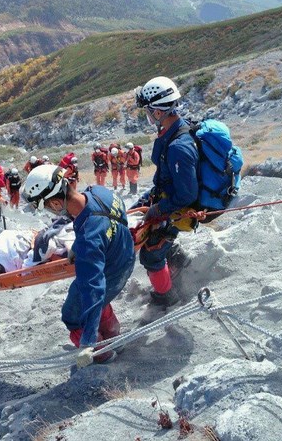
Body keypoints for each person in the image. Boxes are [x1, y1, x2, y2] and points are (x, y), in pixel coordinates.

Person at [22, 165, 135, 366]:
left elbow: (94, 289)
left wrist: (87, 342)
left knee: (72, 315)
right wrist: (79, 245)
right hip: (124, 253)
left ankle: (101, 353)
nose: (50, 211)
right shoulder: (99, 192)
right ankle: (114, 338)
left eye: (47, 207)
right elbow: (112, 220)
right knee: (92, 298)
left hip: (113, 272)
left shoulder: (89, 241)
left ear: (56, 203)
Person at [132, 76, 196, 309]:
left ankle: (167, 297)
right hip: (164, 193)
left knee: (151, 254)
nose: (148, 116)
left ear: (158, 112)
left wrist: (158, 208)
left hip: (177, 204)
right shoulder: (174, 130)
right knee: (133, 218)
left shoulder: (179, 147)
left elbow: (187, 195)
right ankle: (178, 260)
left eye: (149, 112)